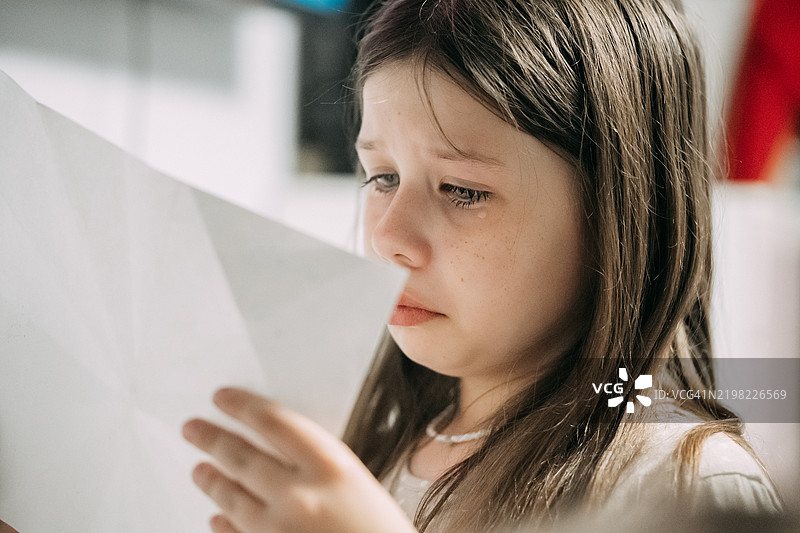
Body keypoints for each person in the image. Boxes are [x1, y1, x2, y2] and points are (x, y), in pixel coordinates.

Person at [181, 0, 785, 531]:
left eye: (461, 190)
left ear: (618, 215)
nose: (390, 237)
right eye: (382, 178)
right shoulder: (368, 445)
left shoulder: (684, 484)